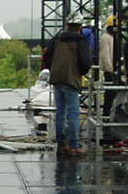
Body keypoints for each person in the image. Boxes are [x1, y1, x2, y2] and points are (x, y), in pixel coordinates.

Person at [43, 14, 91, 156]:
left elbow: (46, 56)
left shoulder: (58, 38)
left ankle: (61, 144)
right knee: (74, 113)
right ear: (80, 27)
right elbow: (85, 62)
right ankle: (74, 146)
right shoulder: (80, 40)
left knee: (60, 112)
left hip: (57, 78)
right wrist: (80, 72)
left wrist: (55, 68)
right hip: (71, 79)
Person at [99, 15, 118, 111]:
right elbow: (105, 55)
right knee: (110, 94)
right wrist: (109, 69)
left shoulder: (112, 38)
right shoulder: (105, 38)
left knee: (113, 94)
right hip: (109, 71)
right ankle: (107, 114)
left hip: (113, 70)